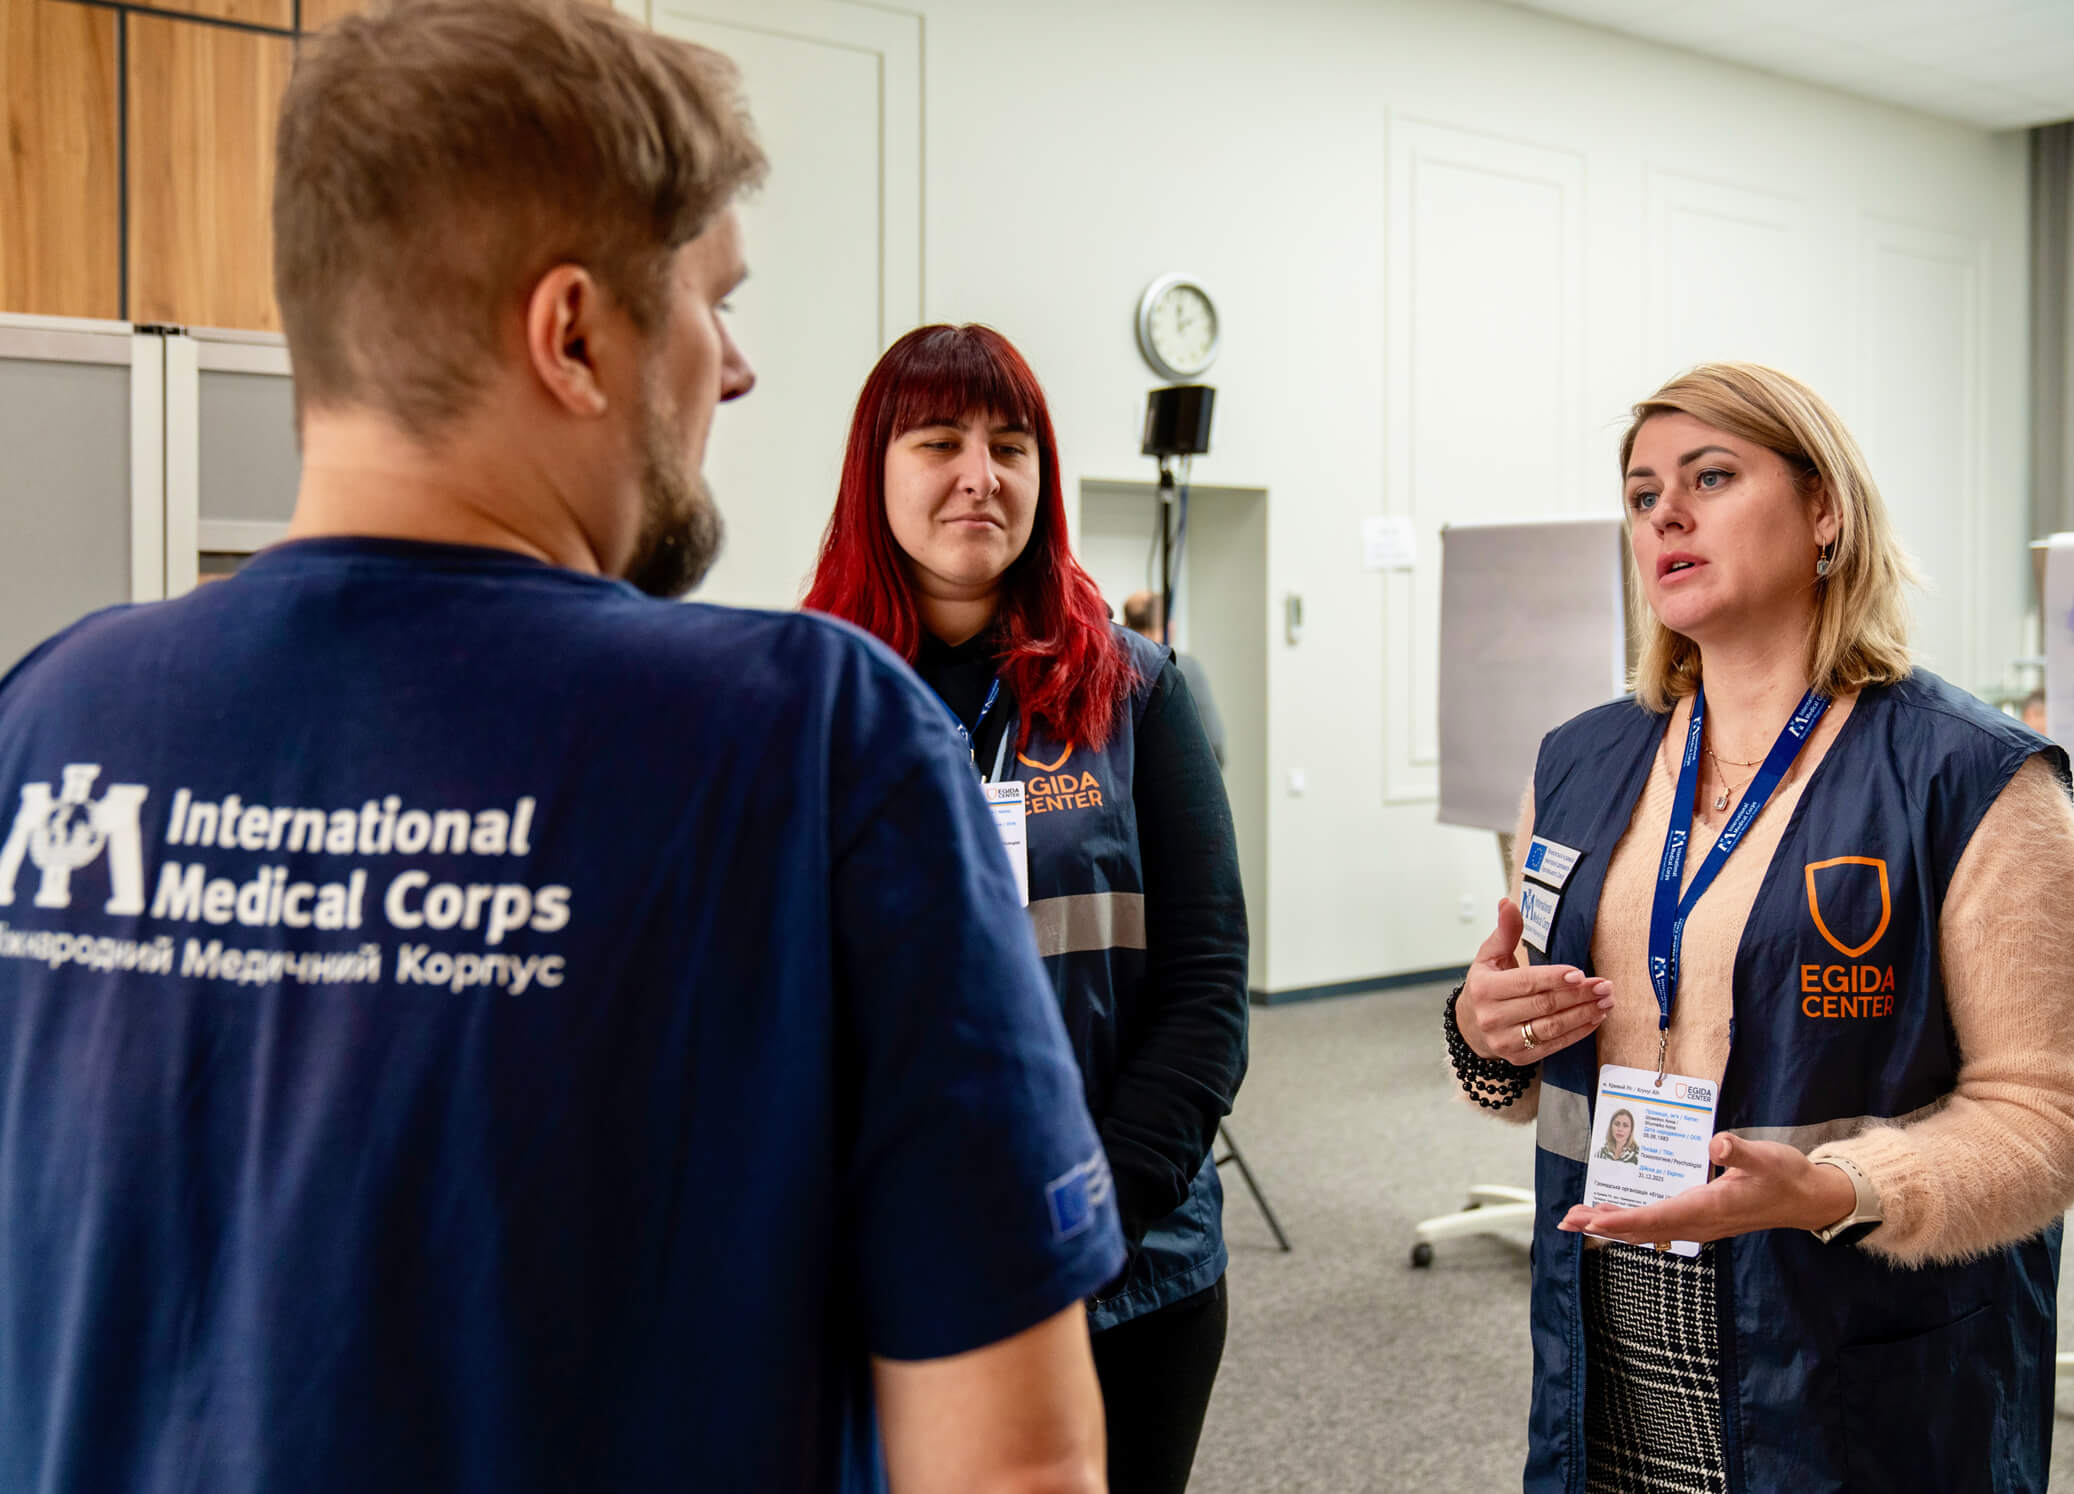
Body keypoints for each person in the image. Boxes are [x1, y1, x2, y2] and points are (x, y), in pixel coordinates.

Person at [0, 5, 1122, 1490]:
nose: (734, 368)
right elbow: (1008, 1467)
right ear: (576, 335)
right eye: (712, 302)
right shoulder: (814, 741)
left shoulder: (46, 730)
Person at [1443, 362, 2074, 1494]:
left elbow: (2048, 1119)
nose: (1666, 514)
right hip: (1605, 1321)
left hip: (1844, 1341)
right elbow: (1513, 1063)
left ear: (1824, 512)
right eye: (1644, 491)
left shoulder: (1972, 778)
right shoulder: (1579, 762)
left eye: (1711, 476)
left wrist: (1835, 1189)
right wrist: (1479, 1028)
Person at [804, 323, 1250, 1494]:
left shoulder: (1136, 690)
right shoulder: (802, 698)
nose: (979, 474)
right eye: (938, 440)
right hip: (881, 1264)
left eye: (1010, 445)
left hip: (1126, 1264)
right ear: (875, 472)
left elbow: (1206, 990)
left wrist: (1082, 1224)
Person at [1122, 588, 1227, 767]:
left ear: (1125, 624)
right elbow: (1214, 742)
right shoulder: (1184, 668)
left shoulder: (1112, 670)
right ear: (1169, 626)